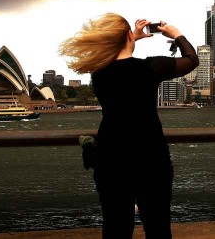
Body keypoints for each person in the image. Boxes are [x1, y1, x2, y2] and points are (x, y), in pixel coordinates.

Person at [60, 14, 198, 239]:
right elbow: (192, 60)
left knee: (116, 228)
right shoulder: (150, 67)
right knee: (158, 227)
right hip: (150, 159)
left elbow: (117, 59)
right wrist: (177, 35)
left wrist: (131, 37)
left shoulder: (99, 73)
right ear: (127, 37)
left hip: (111, 160)